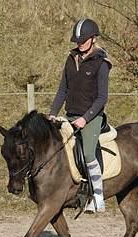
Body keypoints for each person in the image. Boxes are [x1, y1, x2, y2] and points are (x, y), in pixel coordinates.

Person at [49, 18, 112, 213]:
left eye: (83, 40)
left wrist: (85, 118)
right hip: (70, 114)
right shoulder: (71, 59)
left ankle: (98, 197)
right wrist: (52, 113)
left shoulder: (101, 63)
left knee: (88, 153)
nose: (79, 43)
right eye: (77, 40)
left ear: (93, 39)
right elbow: (63, 90)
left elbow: (102, 98)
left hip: (91, 117)